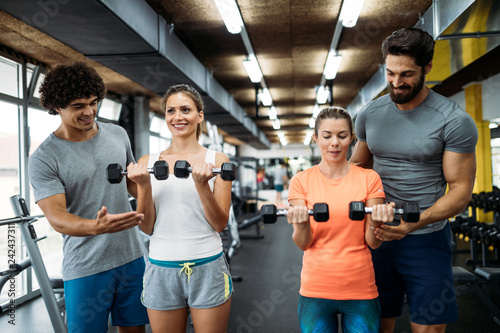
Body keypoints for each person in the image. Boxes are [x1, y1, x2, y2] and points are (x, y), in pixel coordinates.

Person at [350, 27, 478, 333]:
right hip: (375, 234)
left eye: (406, 74)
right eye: (390, 72)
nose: (396, 82)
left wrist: (416, 221)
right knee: (376, 323)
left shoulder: (453, 119)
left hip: (426, 237)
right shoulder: (370, 114)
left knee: (429, 327)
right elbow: (357, 166)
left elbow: (460, 191)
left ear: (427, 67)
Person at [29, 62, 149, 332]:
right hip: (86, 267)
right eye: (78, 105)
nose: (89, 111)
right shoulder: (45, 158)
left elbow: (134, 185)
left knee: (135, 329)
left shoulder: (117, 134)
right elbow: (58, 218)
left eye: (94, 102)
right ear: (56, 107)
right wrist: (95, 227)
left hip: (132, 258)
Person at [126, 84, 233, 332]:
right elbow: (147, 227)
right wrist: (143, 185)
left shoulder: (217, 162)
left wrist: (201, 186)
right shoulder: (148, 163)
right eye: (171, 111)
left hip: (207, 266)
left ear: (200, 115)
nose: (178, 117)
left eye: (186, 109)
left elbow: (220, 224)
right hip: (161, 267)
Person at [287, 107, 396, 333]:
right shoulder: (301, 181)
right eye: (327, 136)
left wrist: (378, 221)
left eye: (342, 135)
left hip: (360, 289)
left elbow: (373, 242)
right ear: (316, 138)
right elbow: (303, 243)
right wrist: (301, 223)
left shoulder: (369, 178)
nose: (334, 143)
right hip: (315, 289)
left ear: (352, 137)